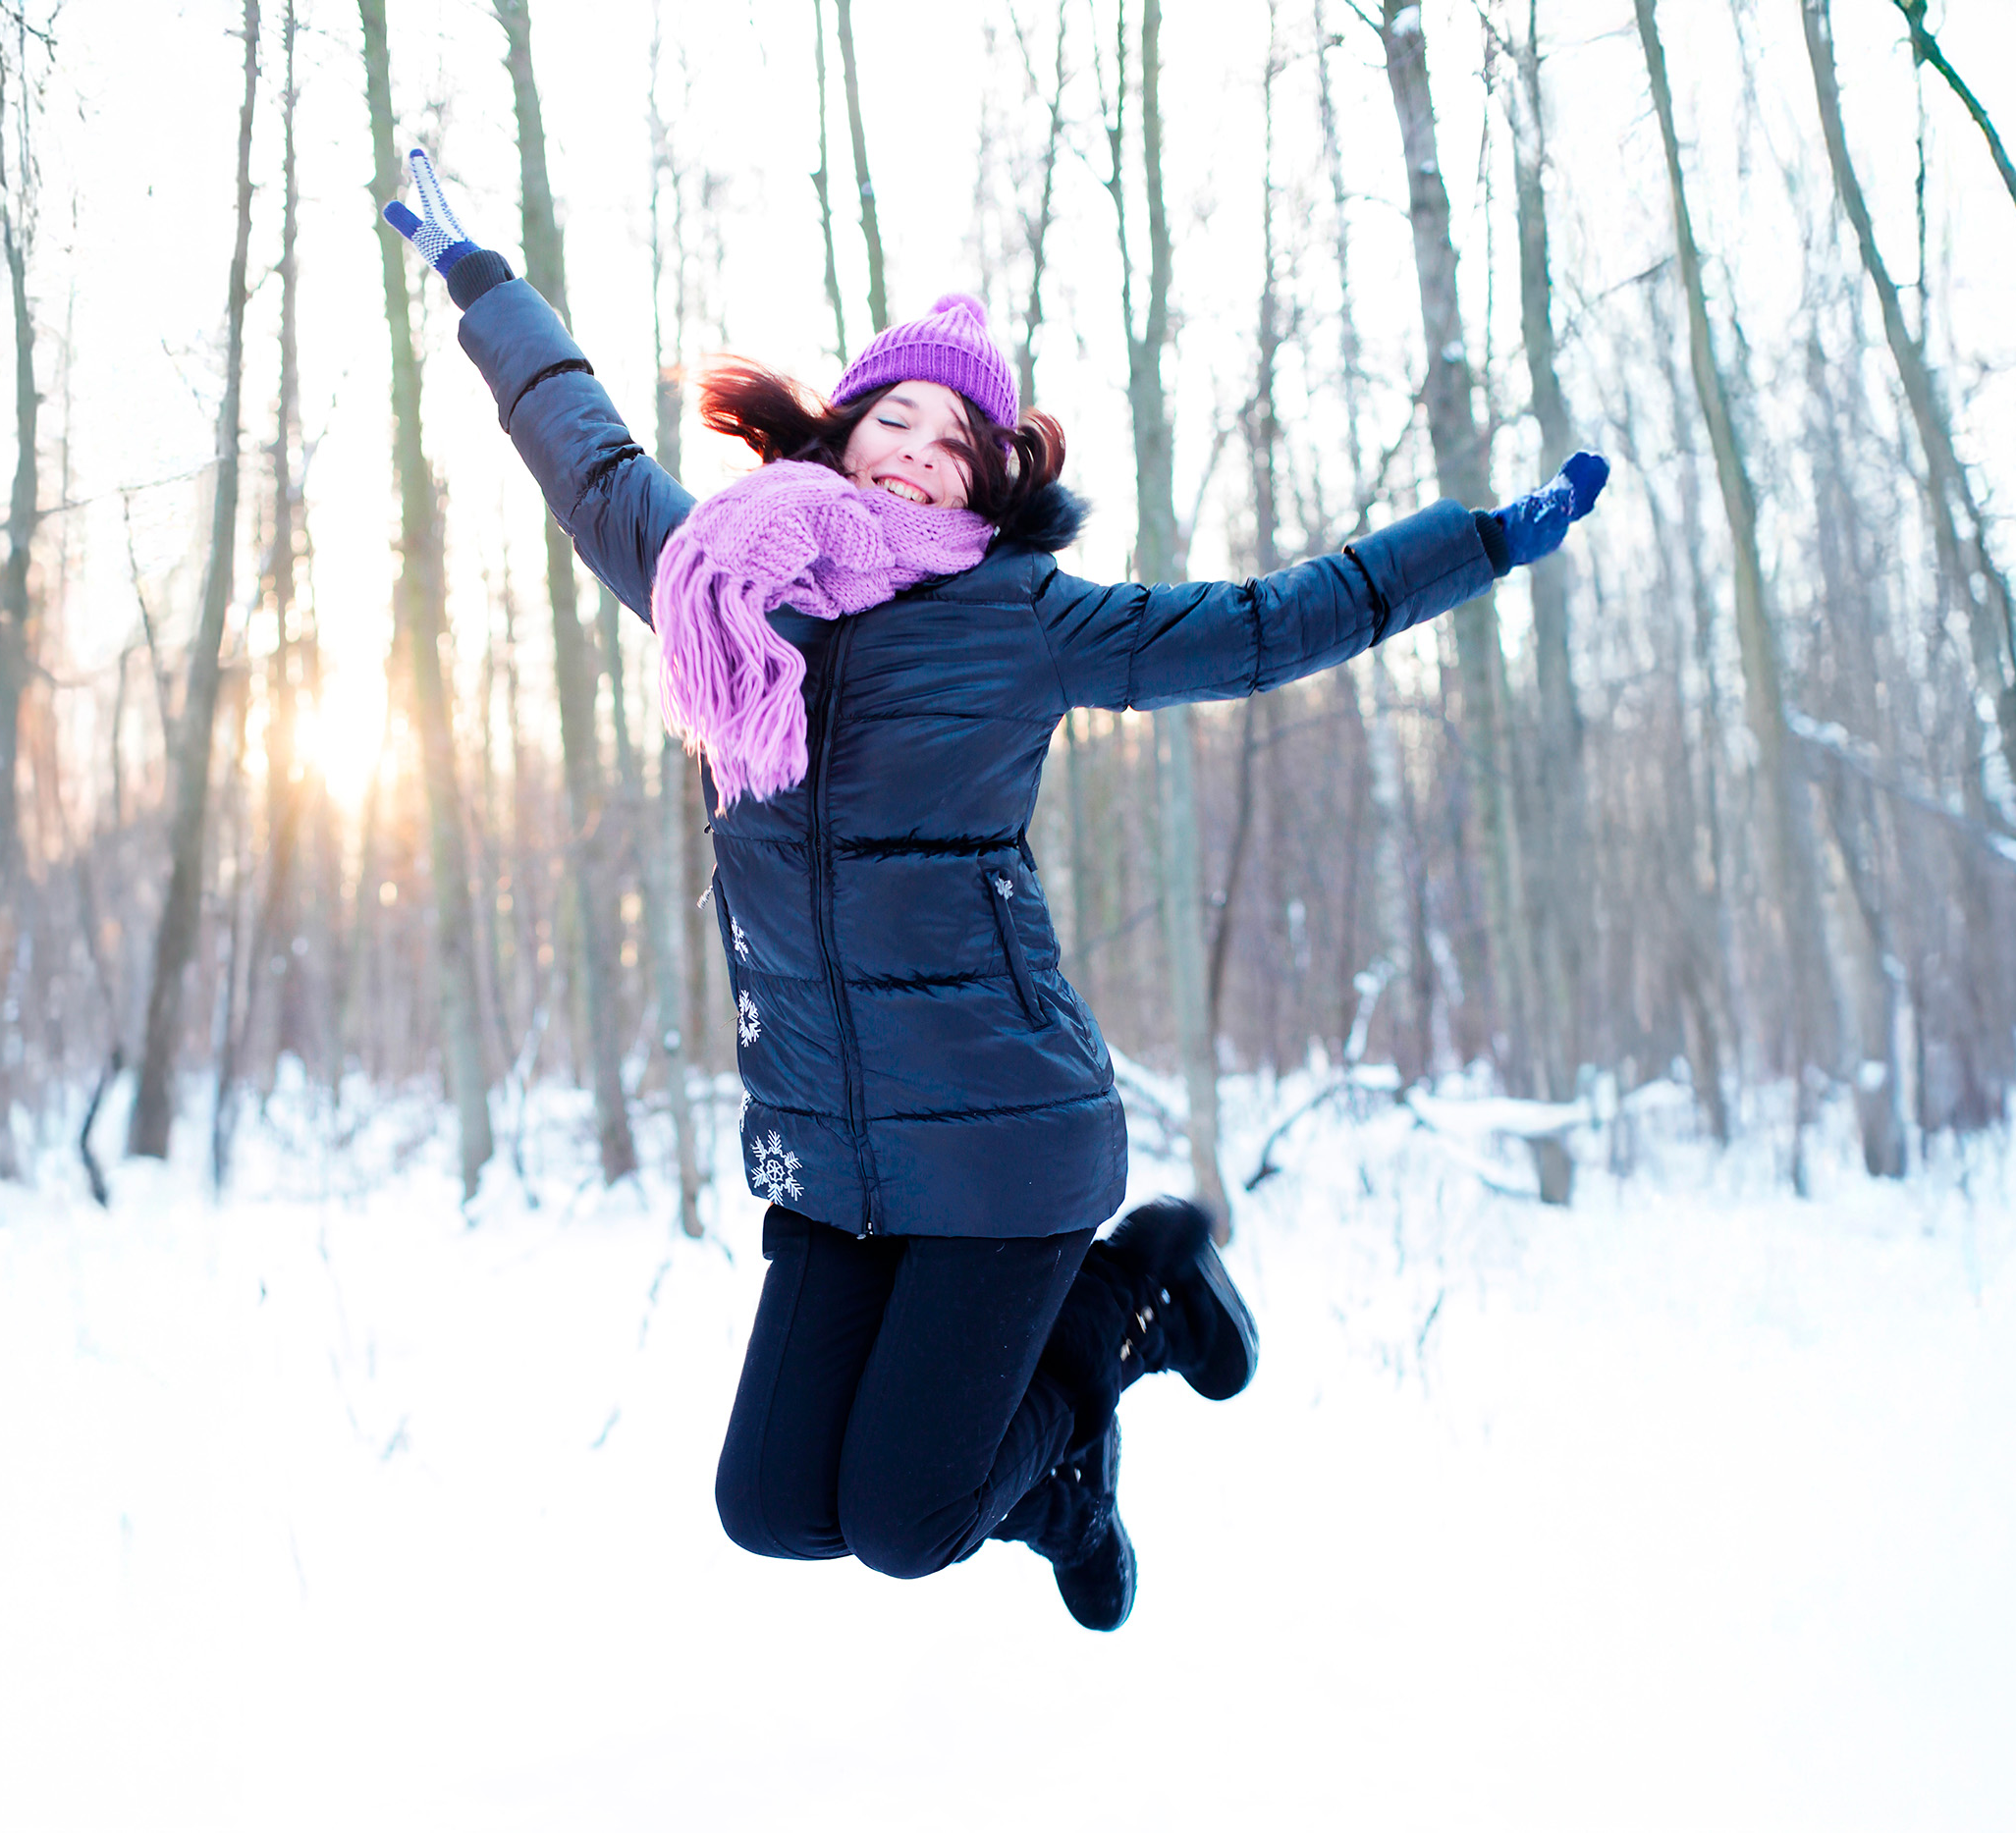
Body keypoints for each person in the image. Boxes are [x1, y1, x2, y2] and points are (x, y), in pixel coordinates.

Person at [386, 150, 1607, 1630]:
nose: (912, 449)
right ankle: (1070, 1472)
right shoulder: (716, 576)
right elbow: (577, 448)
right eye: (891, 417)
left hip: (1003, 1143)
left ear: (990, 478)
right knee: (772, 1511)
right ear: (836, 435)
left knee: (908, 1525)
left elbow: (1258, 627)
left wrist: (1469, 546)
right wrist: (482, 286)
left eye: (951, 439)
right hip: (837, 1154)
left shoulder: (1014, 616)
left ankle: (1130, 1296)